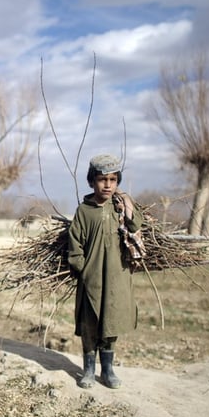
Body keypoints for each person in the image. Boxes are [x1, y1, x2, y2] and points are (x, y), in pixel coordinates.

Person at [67, 153, 144, 389]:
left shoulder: (119, 207)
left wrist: (126, 200)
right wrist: (84, 270)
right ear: (92, 181)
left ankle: (108, 370)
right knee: (90, 325)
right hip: (91, 280)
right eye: (102, 179)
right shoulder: (84, 211)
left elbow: (135, 225)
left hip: (117, 277)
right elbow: (75, 245)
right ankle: (89, 370)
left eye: (113, 179)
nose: (108, 185)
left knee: (111, 322)